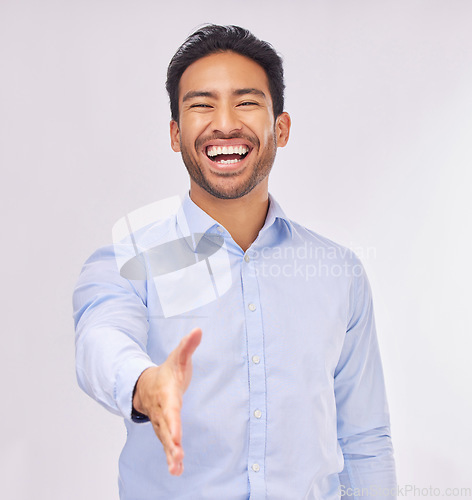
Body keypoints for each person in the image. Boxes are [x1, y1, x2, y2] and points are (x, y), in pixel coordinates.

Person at [73, 24, 396, 499]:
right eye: (201, 104)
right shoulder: (127, 261)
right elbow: (99, 340)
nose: (225, 123)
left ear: (280, 129)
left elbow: (364, 440)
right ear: (174, 133)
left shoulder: (338, 272)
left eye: (246, 102)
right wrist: (144, 385)